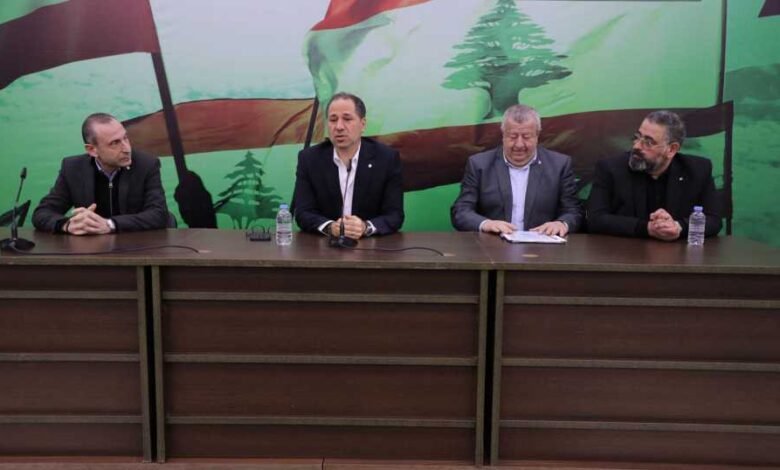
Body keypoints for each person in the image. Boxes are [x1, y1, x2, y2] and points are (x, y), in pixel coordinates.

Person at [587, 110, 722, 240]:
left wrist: (678, 227)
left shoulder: (697, 170)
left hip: (678, 252)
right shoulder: (611, 168)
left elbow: (714, 220)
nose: (637, 146)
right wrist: (647, 228)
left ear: (671, 149)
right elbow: (595, 219)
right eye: (637, 137)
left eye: (648, 142)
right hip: (624, 251)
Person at [451, 104, 582, 236]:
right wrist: (486, 224)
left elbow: (574, 211)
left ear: (537, 136)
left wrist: (561, 223)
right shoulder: (479, 165)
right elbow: (461, 211)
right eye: (513, 137)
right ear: (503, 135)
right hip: (493, 244)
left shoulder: (559, 165)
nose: (519, 144)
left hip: (542, 245)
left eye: (526, 137)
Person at [32, 113, 169, 234]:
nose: (127, 149)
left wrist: (109, 224)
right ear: (92, 150)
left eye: (125, 138)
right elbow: (42, 213)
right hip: (91, 249)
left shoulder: (146, 164)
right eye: (115, 143)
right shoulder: (73, 168)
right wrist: (67, 225)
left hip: (136, 246)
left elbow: (159, 214)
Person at [293, 92, 404, 239]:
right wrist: (330, 227)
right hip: (325, 246)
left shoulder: (386, 158)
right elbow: (303, 213)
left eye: (347, 119)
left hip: (371, 247)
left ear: (362, 124)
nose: (339, 127)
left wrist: (365, 227)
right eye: (333, 120)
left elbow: (395, 215)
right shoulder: (309, 159)